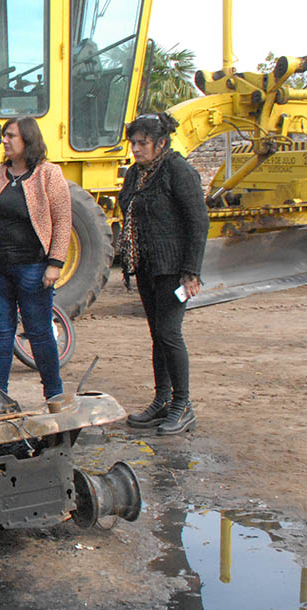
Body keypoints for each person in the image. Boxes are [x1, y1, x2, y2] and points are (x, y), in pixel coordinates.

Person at [118, 112, 208, 436]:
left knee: (169, 333)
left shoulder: (177, 170)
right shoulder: (135, 173)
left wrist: (191, 271)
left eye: (142, 143)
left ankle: (183, 405)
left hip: (173, 268)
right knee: (158, 334)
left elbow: (198, 222)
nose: (135, 149)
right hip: (147, 266)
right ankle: (162, 401)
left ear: (161, 143)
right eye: (133, 142)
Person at [0, 116, 71, 399]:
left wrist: (55, 263)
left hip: (33, 267)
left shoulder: (49, 174)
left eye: (11, 135)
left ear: (28, 139)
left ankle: (54, 394)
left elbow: (63, 220)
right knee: (0, 332)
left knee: (39, 332)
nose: (5, 140)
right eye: (4, 135)